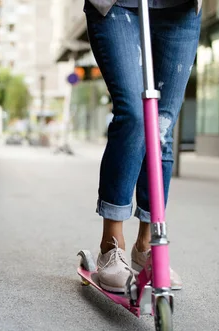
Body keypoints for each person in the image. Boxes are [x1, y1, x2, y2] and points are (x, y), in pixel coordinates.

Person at [84, 0, 201, 292]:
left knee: (161, 126)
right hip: (118, 5)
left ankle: (147, 246)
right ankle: (112, 245)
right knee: (135, 116)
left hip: (179, 7)